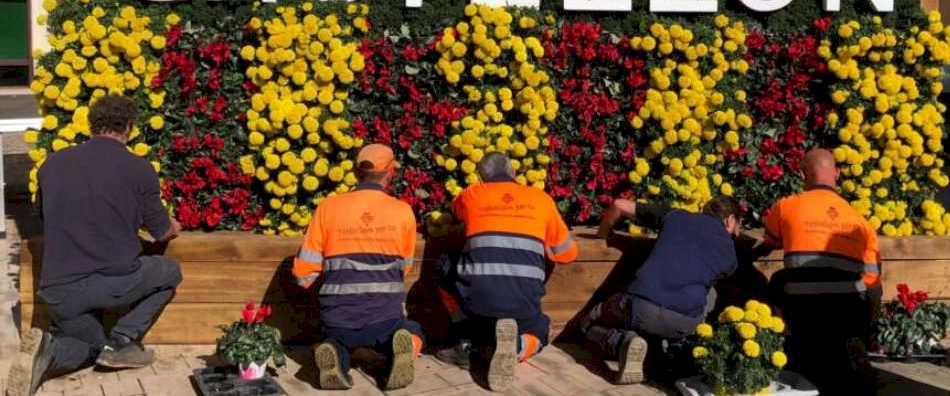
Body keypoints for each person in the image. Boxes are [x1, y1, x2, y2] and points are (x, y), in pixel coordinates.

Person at [7, 94, 183, 396]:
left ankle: (49, 351)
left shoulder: (53, 163)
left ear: (91, 125)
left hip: (59, 291)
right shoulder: (138, 168)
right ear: (129, 126)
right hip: (113, 284)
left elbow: (43, 217)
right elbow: (162, 232)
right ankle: (123, 341)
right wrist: (174, 226)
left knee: (89, 348)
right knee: (170, 271)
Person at [434, 152, 578, 392]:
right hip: (523, 306)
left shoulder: (471, 195)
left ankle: (465, 339)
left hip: (476, 306)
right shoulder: (541, 200)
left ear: (481, 177)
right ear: (514, 173)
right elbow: (568, 254)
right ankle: (518, 347)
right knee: (541, 328)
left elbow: (456, 211)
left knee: (444, 265)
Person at [292, 144, 423, 391]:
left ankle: (332, 351)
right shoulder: (403, 211)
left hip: (338, 319)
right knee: (413, 330)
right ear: (390, 173)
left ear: (355, 172)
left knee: (327, 338)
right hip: (385, 319)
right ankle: (400, 351)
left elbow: (303, 273)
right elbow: (404, 268)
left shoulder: (328, 208)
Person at [581, 195, 741, 384]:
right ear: (730, 220)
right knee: (710, 293)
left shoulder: (675, 215)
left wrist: (601, 237)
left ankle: (621, 342)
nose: (736, 234)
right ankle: (676, 348)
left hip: (640, 308)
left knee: (590, 320)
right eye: (737, 229)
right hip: (683, 323)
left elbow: (619, 205)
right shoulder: (731, 257)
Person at [762, 147, 882, 394]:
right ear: (836, 173)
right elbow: (873, 284)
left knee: (777, 280)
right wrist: (868, 330)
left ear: (802, 174)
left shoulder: (786, 206)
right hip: (847, 311)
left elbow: (771, 242)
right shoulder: (861, 221)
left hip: (803, 310)